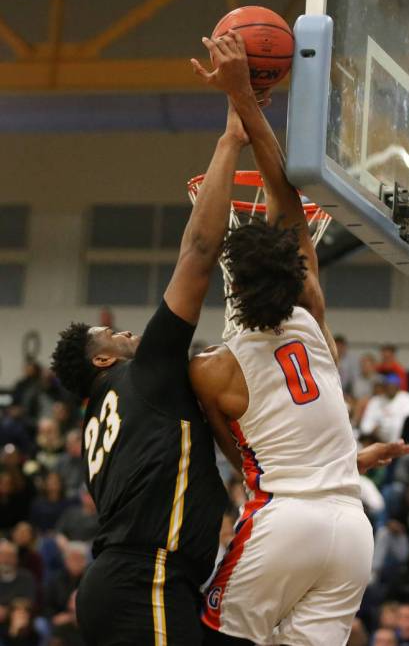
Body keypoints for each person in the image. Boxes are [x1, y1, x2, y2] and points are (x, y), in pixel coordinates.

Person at [189, 31, 409, 646]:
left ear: (229, 279)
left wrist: (234, 106)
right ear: (296, 269)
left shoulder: (212, 368)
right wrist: (249, 105)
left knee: (214, 635)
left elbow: (237, 456)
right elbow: (282, 188)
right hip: (351, 528)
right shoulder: (313, 316)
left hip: (284, 522)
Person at [50, 99, 249, 644]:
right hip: (148, 581)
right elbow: (200, 250)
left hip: (124, 582)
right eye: (116, 336)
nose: (131, 333)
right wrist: (231, 138)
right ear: (103, 359)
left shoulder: (99, 421)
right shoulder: (145, 376)